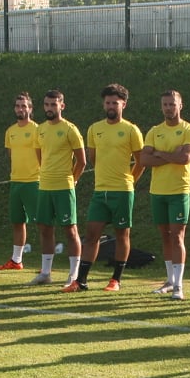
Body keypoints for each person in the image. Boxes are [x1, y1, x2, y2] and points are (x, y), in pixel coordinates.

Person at [72, 84, 143, 291]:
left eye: (115, 102)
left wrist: (130, 181)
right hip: (100, 191)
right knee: (92, 234)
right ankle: (81, 281)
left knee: (122, 235)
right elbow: (93, 158)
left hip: (122, 191)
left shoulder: (131, 130)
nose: (111, 106)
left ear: (124, 105)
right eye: (108, 102)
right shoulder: (95, 129)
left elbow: (141, 162)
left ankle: (116, 280)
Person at [139, 89, 190, 299]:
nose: (168, 108)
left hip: (179, 191)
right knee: (165, 236)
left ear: (180, 106)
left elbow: (184, 158)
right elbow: (144, 160)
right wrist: (171, 155)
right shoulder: (155, 131)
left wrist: (160, 153)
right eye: (165, 104)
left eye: (172, 104)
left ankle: (179, 285)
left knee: (177, 236)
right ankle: (169, 280)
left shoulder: (188, 130)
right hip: (158, 191)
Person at [28, 89, 85, 285]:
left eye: (54, 104)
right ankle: (45, 273)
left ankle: (73, 274)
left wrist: (73, 180)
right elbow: (40, 156)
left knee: (70, 230)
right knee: (44, 228)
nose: (50, 108)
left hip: (64, 187)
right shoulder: (40, 129)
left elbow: (82, 161)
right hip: (45, 187)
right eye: (46, 105)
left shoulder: (70, 129)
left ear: (62, 106)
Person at [0, 92, 40, 270]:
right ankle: (16, 260)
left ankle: (46, 263)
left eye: (24, 106)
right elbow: (11, 155)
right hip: (16, 182)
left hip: (34, 182)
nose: (20, 109)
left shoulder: (38, 129)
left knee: (42, 223)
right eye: (17, 106)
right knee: (17, 221)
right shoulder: (10, 131)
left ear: (30, 109)